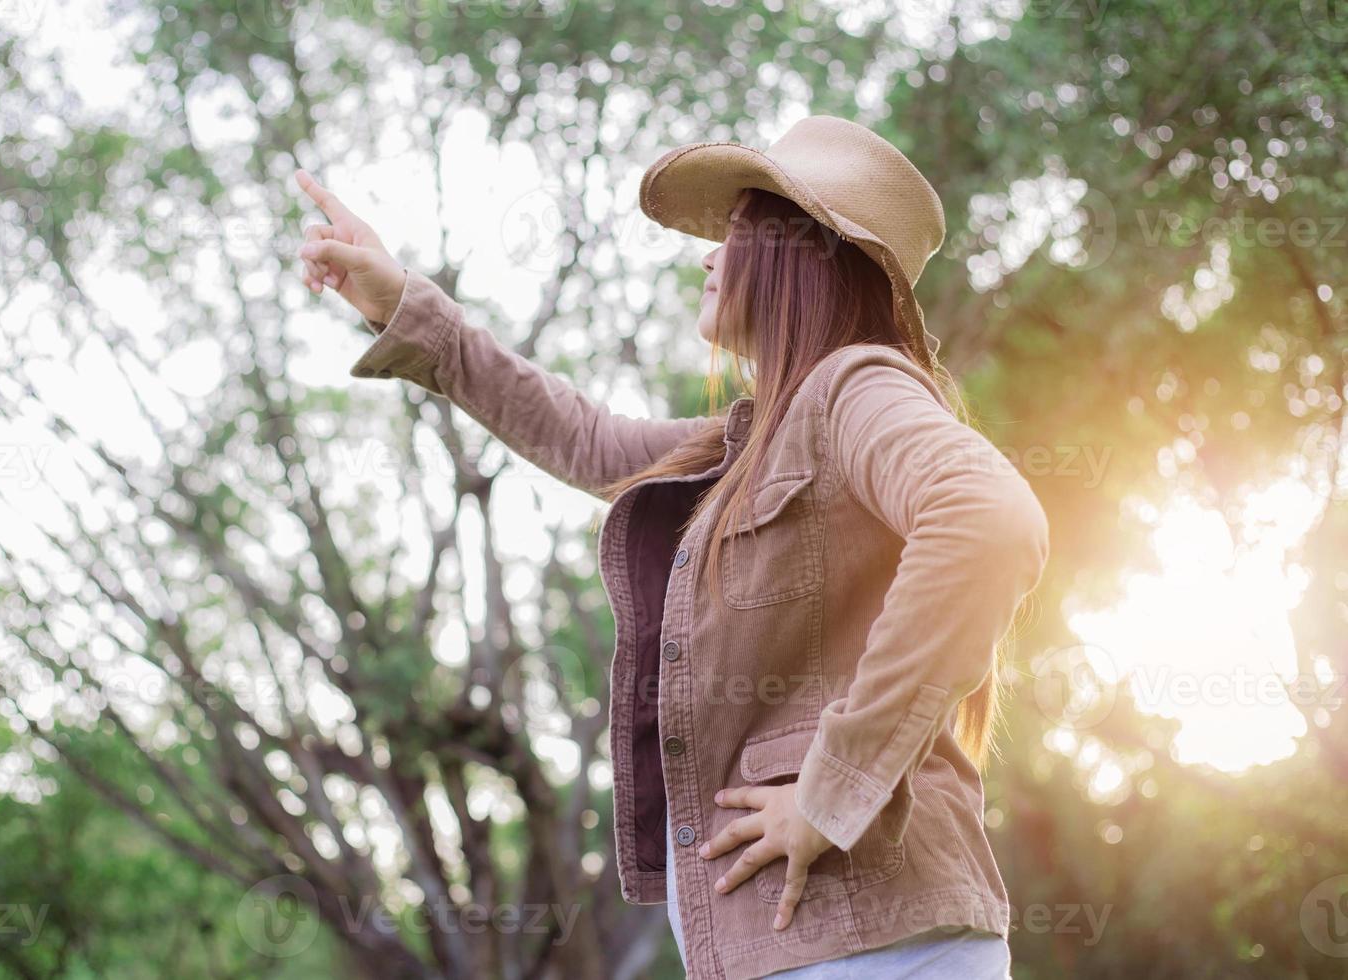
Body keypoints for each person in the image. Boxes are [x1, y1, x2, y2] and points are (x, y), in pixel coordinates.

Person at [295, 113, 1046, 979]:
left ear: (797, 254)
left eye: (732, 235)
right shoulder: (759, 441)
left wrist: (833, 788)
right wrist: (400, 304)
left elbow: (988, 519)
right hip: (821, 946)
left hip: (866, 944)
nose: (707, 257)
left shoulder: (854, 386)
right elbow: (586, 438)